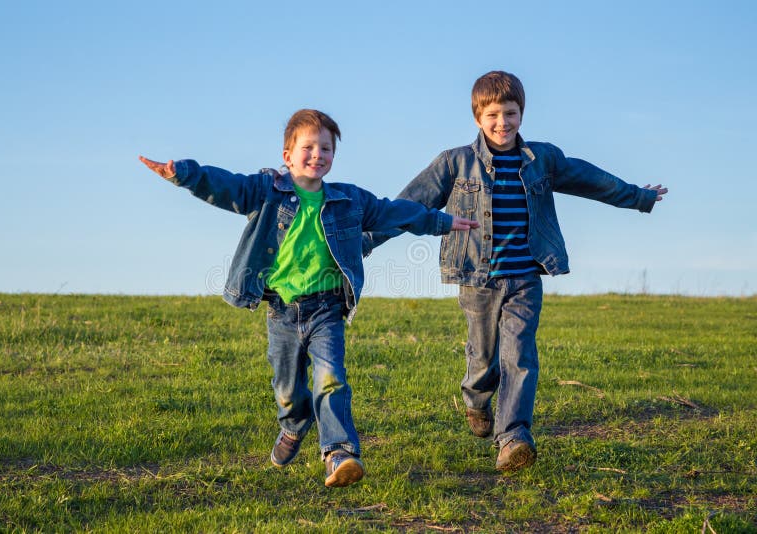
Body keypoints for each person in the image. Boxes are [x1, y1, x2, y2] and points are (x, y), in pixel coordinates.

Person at [139, 109, 478, 487]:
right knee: (287, 390)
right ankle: (293, 424)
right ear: (288, 155)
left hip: (326, 310)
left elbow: (391, 211)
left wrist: (442, 222)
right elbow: (227, 186)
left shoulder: (348, 200)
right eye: (309, 147)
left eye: (326, 148)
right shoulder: (266, 191)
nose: (318, 155)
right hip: (282, 311)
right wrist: (183, 173)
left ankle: (339, 454)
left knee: (331, 380)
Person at [363, 71, 668, 472]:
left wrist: (639, 197)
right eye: (493, 114)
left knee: (520, 356)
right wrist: (365, 240)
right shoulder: (455, 162)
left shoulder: (542, 159)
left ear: (522, 114)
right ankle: (475, 398)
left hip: (525, 276)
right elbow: (409, 205)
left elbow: (591, 180)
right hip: (478, 278)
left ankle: (513, 438)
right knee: (483, 358)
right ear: (478, 117)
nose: (502, 122)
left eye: (510, 113)